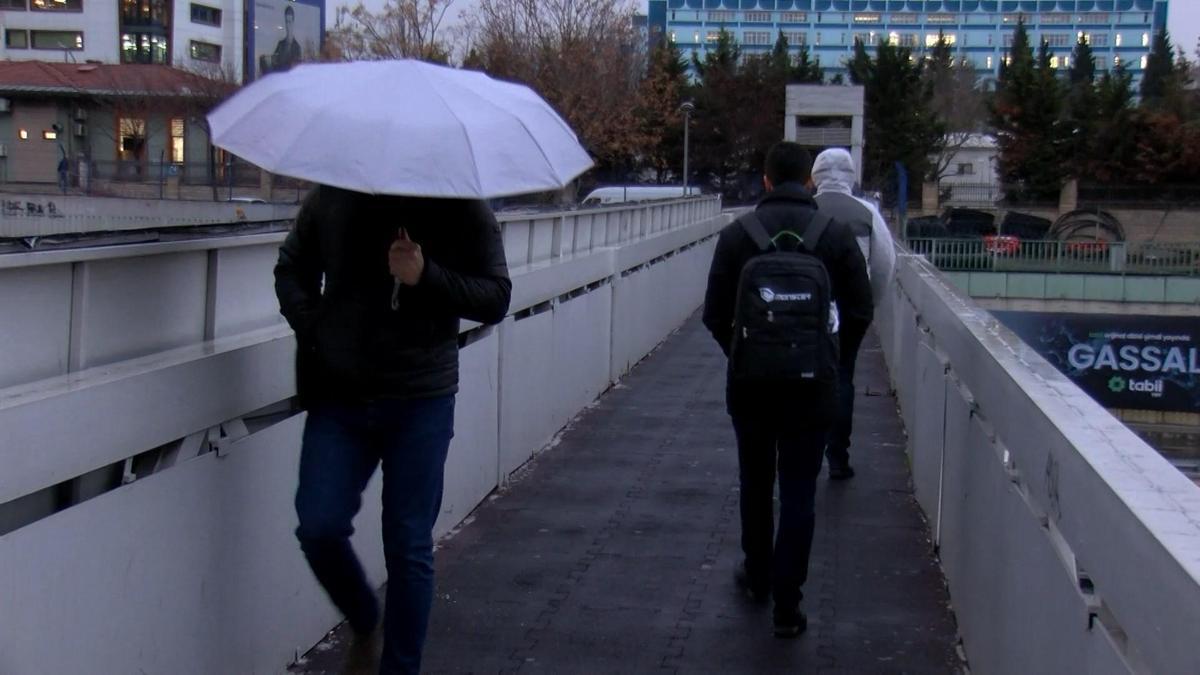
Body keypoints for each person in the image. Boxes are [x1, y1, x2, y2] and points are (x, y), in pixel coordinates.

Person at [274, 186, 511, 674]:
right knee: (318, 525)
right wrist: (315, 326)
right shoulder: (334, 195)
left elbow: (496, 296)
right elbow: (291, 269)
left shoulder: (461, 203)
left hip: (420, 397)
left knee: (408, 546)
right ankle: (364, 619)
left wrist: (426, 276)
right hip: (340, 396)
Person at [702, 142, 872, 638]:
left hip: (751, 387)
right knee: (799, 491)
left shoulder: (738, 236)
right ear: (811, 182)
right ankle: (788, 604)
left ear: (767, 181)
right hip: (813, 387)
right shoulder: (834, 235)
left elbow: (714, 314)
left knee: (755, 481)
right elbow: (861, 310)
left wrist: (742, 355)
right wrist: (832, 360)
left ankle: (756, 574)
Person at [810, 148, 896, 480]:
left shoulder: (807, 210)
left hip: (809, 307)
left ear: (815, 176)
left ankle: (806, 450)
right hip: (850, 308)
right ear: (851, 175)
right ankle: (838, 456)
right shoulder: (866, 212)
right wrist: (868, 306)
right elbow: (884, 264)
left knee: (808, 376)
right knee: (843, 376)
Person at [261, 4, 302, 75]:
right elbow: (274, 62)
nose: (288, 25)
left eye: (290, 21)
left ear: (293, 22)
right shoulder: (280, 44)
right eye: (286, 21)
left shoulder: (297, 47)